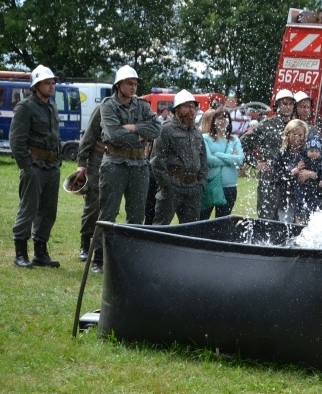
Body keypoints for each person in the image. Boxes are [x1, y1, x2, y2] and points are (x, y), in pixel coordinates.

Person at [91, 65, 161, 273]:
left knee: (136, 214)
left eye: (135, 84)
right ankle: (99, 259)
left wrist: (134, 127)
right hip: (115, 162)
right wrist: (140, 136)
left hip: (139, 164)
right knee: (108, 212)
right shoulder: (108, 106)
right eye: (129, 83)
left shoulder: (142, 105)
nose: (133, 87)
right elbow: (114, 135)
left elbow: (156, 129)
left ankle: (130, 258)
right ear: (119, 84)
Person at [9, 64, 62, 268]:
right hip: (34, 166)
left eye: (52, 82)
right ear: (36, 85)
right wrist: (27, 166)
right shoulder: (25, 107)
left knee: (49, 211)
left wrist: (57, 161)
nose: (51, 86)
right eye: (47, 83)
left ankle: (41, 252)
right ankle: (20, 253)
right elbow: (16, 141)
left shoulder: (52, 106)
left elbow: (55, 137)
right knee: (28, 209)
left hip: (51, 166)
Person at [150, 90, 208, 225]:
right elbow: (157, 159)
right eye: (187, 106)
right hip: (172, 185)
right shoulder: (166, 129)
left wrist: (201, 183)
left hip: (193, 187)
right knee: (161, 226)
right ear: (177, 109)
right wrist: (167, 185)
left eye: (193, 106)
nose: (191, 110)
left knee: (190, 229)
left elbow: (203, 159)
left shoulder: (196, 132)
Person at [242, 89, 295, 220]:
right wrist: (255, 163)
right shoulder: (266, 125)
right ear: (277, 106)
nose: (288, 107)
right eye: (284, 103)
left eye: (290, 104)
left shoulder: (297, 125)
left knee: (289, 221)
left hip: (291, 180)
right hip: (269, 180)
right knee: (266, 219)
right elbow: (242, 143)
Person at [73, 105, 106, 261]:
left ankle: (103, 246)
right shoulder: (103, 108)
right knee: (93, 203)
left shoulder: (134, 108)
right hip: (97, 161)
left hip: (119, 161)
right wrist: (82, 163)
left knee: (109, 206)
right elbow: (89, 136)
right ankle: (85, 244)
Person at [200, 108, 244, 220]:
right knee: (202, 220)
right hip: (210, 186)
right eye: (219, 118)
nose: (222, 121)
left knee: (223, 223)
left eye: (225, 118)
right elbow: (209, 160)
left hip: (229, 188)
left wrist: (218, 154)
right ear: (214, 121)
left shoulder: (234, 140)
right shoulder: (206, 138)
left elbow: (239, 160)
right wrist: (230, 159)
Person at [273, 119, 311, 222]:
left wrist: (310, 174)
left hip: (304, 198)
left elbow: (319, 171)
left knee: (304, 228)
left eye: (300, 135)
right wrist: (293, 171)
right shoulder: (281, 154)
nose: (297, 138)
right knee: (285, 227)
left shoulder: (308, 153)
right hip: (285, 198)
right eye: (294, 134)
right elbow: (276, 179)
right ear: (287, 135)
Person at [292, 135, 322, 223]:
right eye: (311, 151)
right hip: (301, 187)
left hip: (313, 189)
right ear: (307, 150)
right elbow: (292, 166)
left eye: (316, 151)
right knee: (299, 203)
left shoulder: (320, 163)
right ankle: (298, 219)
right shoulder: (301, 159)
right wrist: (296, 168)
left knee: (312, 204)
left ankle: (310, 220)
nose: (314, 153)